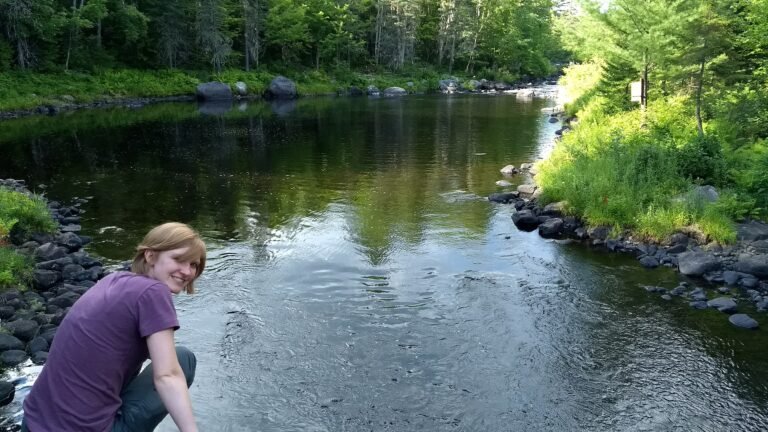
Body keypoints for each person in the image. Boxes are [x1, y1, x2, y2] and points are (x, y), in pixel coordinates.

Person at [22, 222, 207, 432]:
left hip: (32, 421)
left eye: (194, 264)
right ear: (150, 256)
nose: (187, 271)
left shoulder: (113, 280)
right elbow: (168, 376)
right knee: (183, 359)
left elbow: (107, 347)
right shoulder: (154, 293)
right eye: (179, 259)